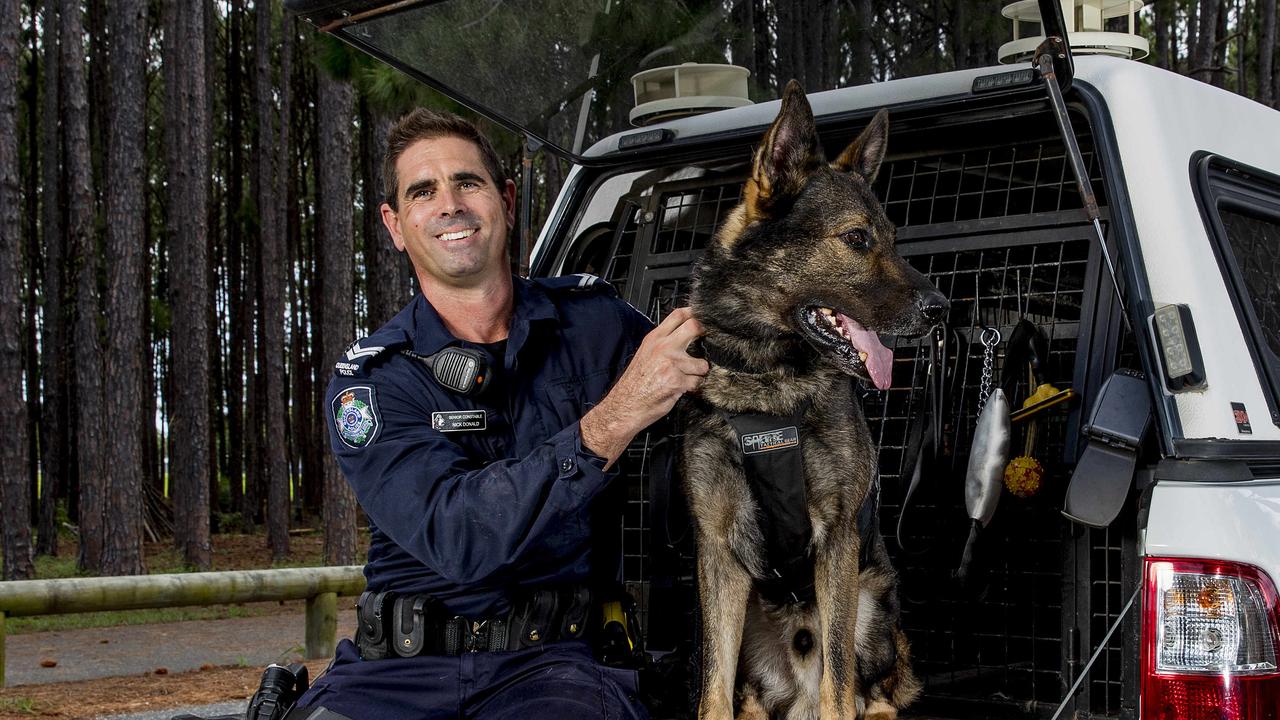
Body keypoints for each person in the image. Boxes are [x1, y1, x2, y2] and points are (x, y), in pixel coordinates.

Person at [292, 108, 708, 720]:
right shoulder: (373, 382)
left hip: (554, 670)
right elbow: (460, 537)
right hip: (393, 680)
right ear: (395, 225)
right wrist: (612, 420)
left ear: (506, 200)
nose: (449, 204)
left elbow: (719, 371)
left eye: (468, 182)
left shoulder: (595, 323)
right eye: (422, 191)